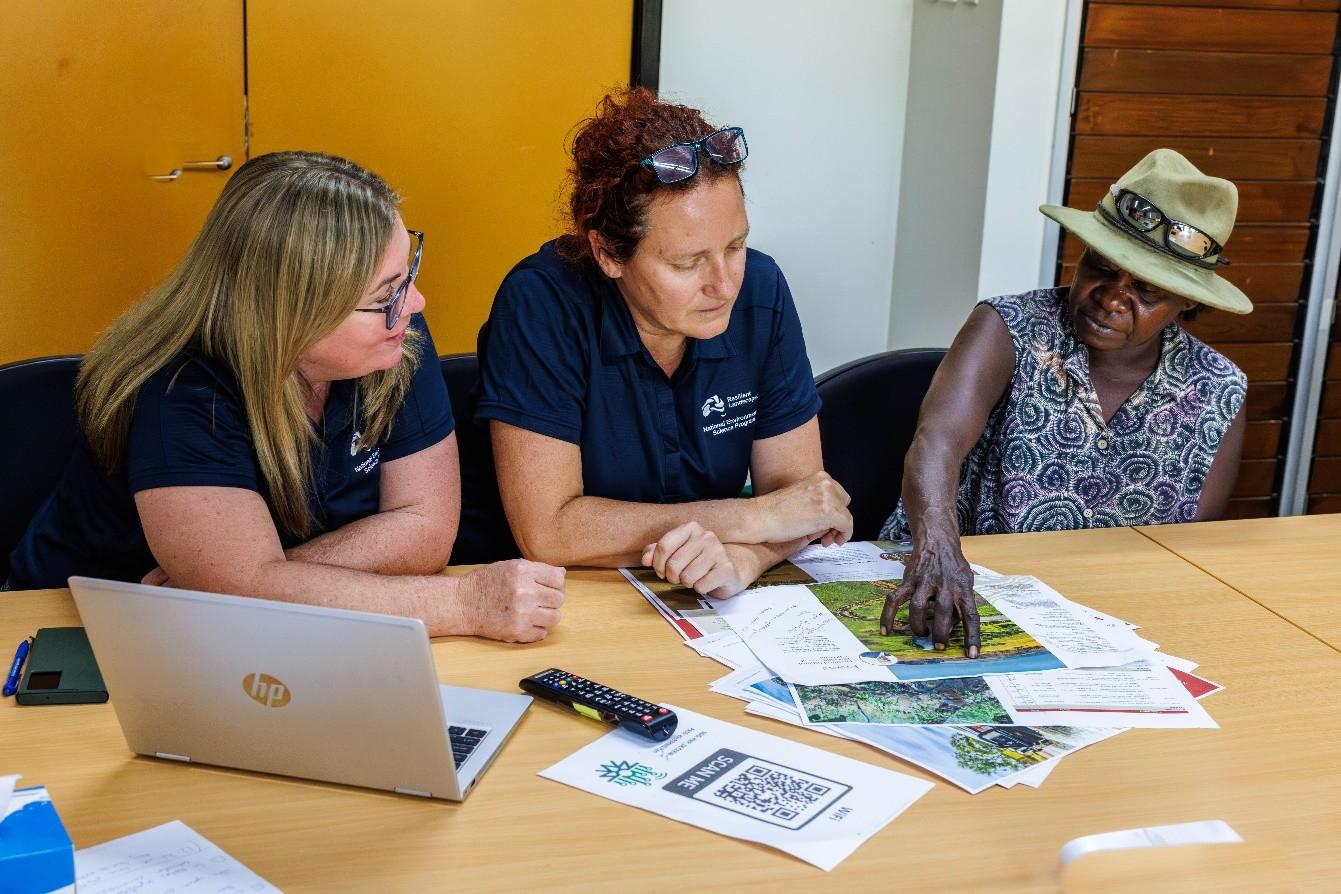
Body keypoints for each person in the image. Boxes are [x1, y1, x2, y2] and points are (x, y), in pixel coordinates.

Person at [6, 151, 564, 643]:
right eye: (384, 295)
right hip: (78, 634)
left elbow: (425, 530)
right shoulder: (183, 391)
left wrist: (255, 583)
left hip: (238, 625)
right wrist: (463, 603)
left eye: (407, 273)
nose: (415, 303)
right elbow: (245, 588)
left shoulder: (392, 341)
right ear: (292, 315)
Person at [477, 88, 851, 597]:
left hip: (693, 603)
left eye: (736, 246)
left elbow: (802, 503)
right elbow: (550, 531)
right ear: (608, 254)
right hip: (561, 599)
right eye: (686, 262)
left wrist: (743, 560)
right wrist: (752, 517)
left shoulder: (762, 289)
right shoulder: (540, 303)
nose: (724, 284)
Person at [880, 148, 1253, 656]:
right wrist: (939, 549)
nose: (1112, 297)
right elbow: (936, 441)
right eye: (1100, 269)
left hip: (1106, 619)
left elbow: (1187, 546)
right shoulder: (1008, 326)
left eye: (1145, 291)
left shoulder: (1217, 389)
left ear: (1190, 301)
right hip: (952, 586)